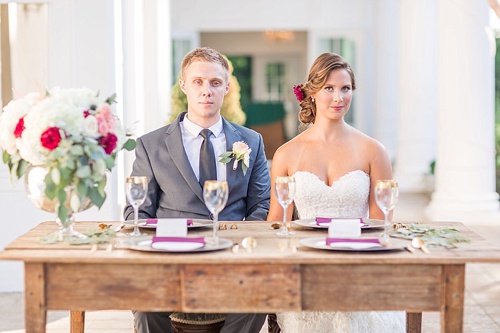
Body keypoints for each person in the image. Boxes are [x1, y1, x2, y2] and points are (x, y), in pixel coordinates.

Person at [124, 46, 271, 333]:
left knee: (260, 299)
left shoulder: (251, 142)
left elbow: (261, 205)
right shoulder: (150, 145)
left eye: (215, 83)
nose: (207, 90)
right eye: (198, 82)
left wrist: (241, 245)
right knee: (145, 308)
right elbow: (136, 210)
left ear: (226, 88)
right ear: (184, 86)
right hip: (170, 260)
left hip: (231, 259)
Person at [267, 53, 405, 333]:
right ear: (313, 92)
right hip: (305, 269)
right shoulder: (286, 154)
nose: (338, 97)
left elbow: (382, 224)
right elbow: (277, 221)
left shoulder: (373, 151)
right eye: (329, 88)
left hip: (360, 264)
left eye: (345, 88)